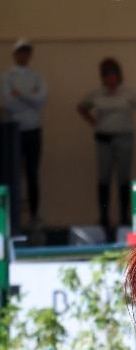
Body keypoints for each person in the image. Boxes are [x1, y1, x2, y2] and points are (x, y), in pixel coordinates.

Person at [77, 58, 136, 237]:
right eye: (107, 76)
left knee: (123, 178)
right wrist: (94, 122)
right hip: (104, 139)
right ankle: (103, 217)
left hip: (124, 139)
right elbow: (81, 107)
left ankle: (124, 217)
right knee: (104, 178)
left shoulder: (127, 93)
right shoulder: (97, 94)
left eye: (113, 75)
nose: (111, 79)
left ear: (118, 76)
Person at [1, 38, 48, 231]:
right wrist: (30, 97)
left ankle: (34, 216)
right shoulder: (7, 76)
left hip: (34, 129)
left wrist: (20, 94)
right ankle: (12, 217)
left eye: (27, 52)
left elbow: (42, 99)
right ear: (15, 54)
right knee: (13, 174)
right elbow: (7, 103)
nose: (24, 56)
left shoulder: (36, 76)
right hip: (14, 130)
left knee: (32, 174)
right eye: (21, 52)